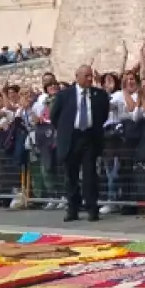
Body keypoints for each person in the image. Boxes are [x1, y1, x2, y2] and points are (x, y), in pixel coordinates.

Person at [51, 64, 110, 222]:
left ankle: (92, 208)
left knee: (90, 175)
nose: (90, 79)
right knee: (71, 175)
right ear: (77, 77)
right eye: (86, 76)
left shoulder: (99, 95)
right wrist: (65, 130)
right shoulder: (65, 95)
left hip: (89, 138)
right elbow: (54, 116)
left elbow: (103, 115)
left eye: (91, 76)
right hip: (71, 138)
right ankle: (72, 209)